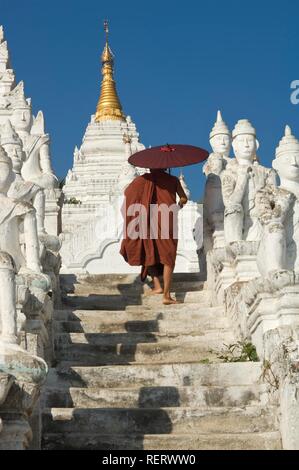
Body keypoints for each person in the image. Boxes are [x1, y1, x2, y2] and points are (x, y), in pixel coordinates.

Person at [120, 168, 188, 304]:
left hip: (147, 219)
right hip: (167, 218)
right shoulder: (173, 180)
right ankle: (166, 295)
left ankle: (158, 286)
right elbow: (183, 198)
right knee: (169, 256)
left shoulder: (143, 180)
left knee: (147, 249)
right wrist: (179, 204)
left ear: (151, 167)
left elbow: (127, 192)